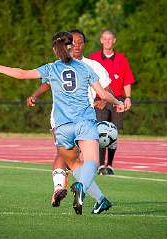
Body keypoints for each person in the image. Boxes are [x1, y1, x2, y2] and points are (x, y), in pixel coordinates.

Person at [0, 31, 125, 215]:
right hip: (84, 122)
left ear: (55, 50)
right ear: (71, 46)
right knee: (92, 162)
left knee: (74, 164)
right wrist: (118, 102)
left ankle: (101, 199)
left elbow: (22, 74)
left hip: (62, 127)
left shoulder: (51, 68)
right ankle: (80, 187)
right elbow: (103, 95)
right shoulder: (85, 68)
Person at [27, 29, 114, 214]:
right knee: (79, 162)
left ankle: (93, 197)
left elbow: (107, 90)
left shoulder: (90, 65)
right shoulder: (80, 67)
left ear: (84, 44)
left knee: (77, 163)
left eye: (80, 42)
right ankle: (74, 190)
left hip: (76, 120)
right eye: (73, 42)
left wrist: (104, 100)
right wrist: (116, 102)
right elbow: (48, 83)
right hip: (74, 120)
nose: (76, 45)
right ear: (67, 45)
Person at [89, 30, 135, 175]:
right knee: (101, 131)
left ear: (114, 40)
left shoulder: (122, 59)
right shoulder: (93, 58)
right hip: (99, 100)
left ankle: (110, 165)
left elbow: (127, 80)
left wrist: (128, 98)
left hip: (117, 100)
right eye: (105, 39)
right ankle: (101, 165)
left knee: (113, 133)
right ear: (101, 40)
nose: (108, 41)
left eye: (110, 39)